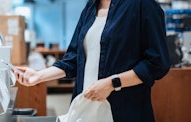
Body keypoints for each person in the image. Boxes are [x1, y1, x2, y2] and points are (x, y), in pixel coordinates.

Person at [13, 0, 170, 121]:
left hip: (123, 111)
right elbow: (73, 59)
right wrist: (39, 76)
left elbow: (157, 63)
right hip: (86, 110)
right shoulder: (90, 8)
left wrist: (111, 83)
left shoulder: (143, 5)